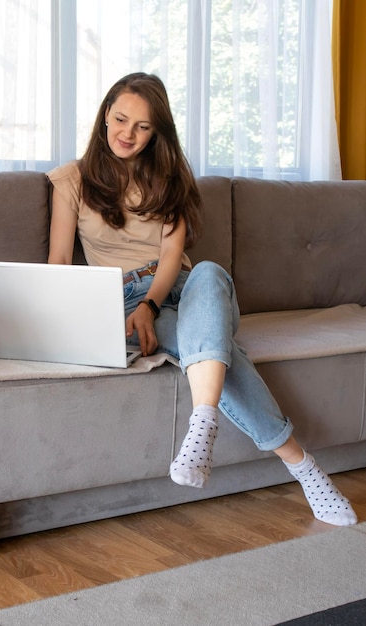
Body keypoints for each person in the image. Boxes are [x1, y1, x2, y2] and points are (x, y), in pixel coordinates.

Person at [47, 72, 357, 527]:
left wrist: (150, 305)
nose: (127, 133)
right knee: (216, 353)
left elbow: (173, 255)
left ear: (157, 134)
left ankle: (202, 421)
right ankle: (305, 468)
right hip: (121, 299)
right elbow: (58, 262)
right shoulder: (71, 179)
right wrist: (79, 319)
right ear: (104, 115)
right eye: (120, 119)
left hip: (187, 288)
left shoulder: (169, 178)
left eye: (142, 127)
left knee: (209, 270)